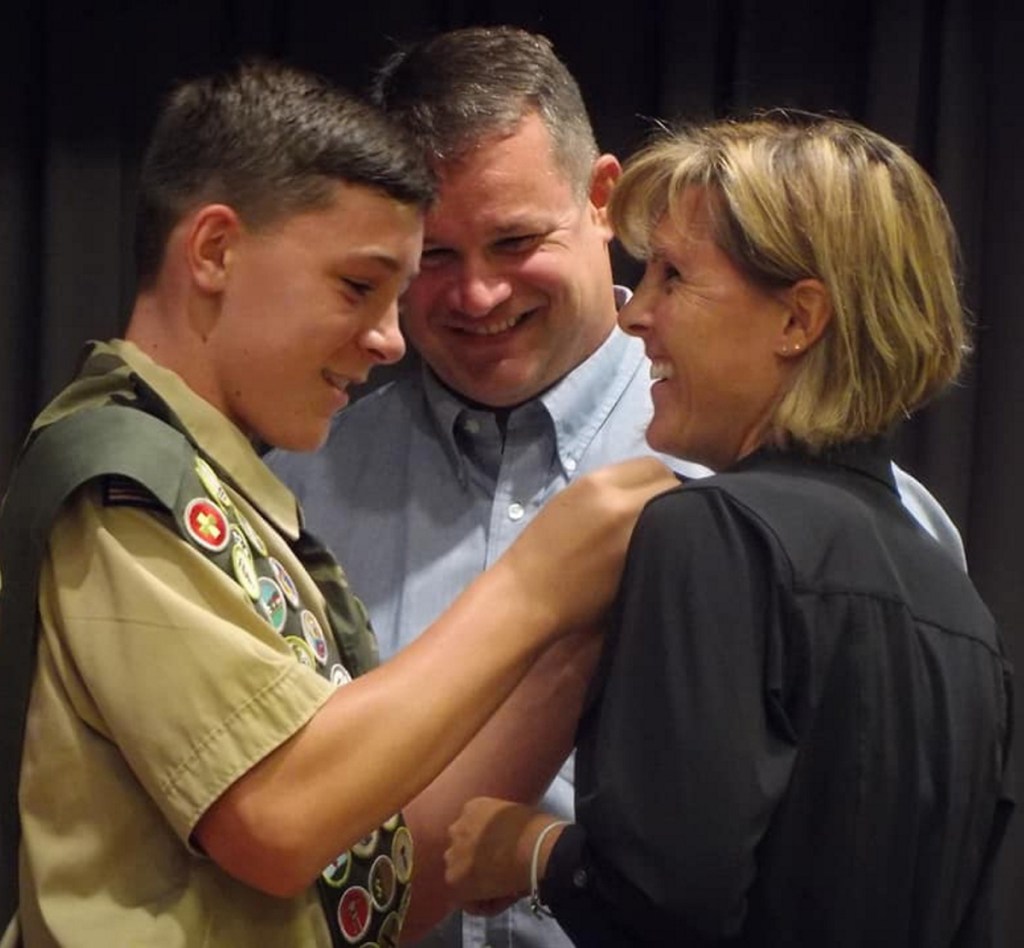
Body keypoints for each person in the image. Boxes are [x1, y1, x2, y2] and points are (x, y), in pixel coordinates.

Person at [267, 26, 969, 948]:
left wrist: (539, 854)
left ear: (602, 199)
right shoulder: (290, 491)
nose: (477, 296)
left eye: (517, 241)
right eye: (433, 257)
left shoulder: (841, 525)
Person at [0, 60, 678, 948]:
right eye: (361, 286)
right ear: (213, 251)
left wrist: (575, 630)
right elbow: (283, 823)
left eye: (513, 243)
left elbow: (366, 881)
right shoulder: (129, 481)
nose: (391, 336)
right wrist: (538, 588)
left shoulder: (229, 484)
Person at [442, 114, 1016, 947]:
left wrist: (530, 849)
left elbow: (664, 900)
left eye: (674, 276)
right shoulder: (957, 605)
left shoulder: (709, 532)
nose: (638, 318)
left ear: (799, 320)